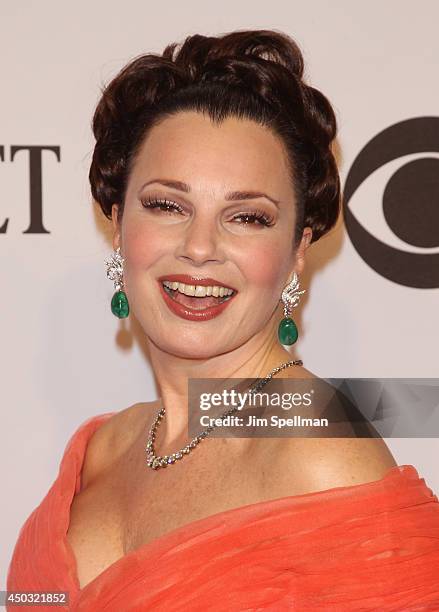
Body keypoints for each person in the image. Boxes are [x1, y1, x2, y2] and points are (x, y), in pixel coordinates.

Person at [7, 29, 439, 611]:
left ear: (298, 249)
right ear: (117, 223)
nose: (201, 247)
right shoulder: (100, 449)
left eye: (248, 217)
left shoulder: (321, 453)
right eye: (167, 205)